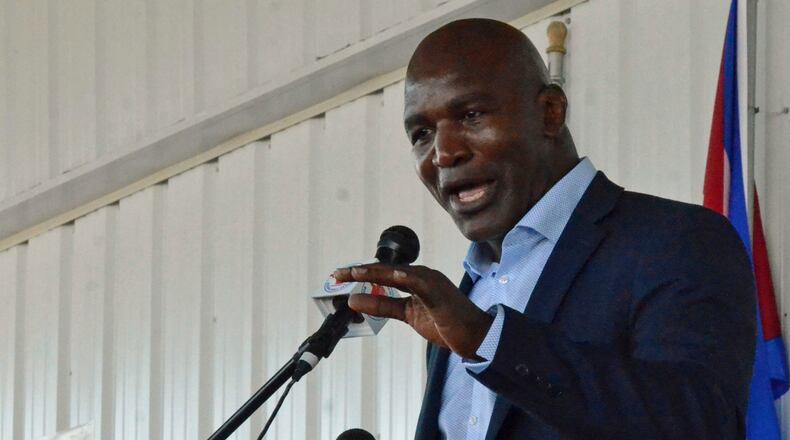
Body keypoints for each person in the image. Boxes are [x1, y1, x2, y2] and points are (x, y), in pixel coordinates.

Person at [333, 18, 756, 439]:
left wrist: (489, 340)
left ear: (550, 113)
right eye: (422, 133)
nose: (443, 153)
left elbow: (699, 423)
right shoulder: (465, 299)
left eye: (471, 115)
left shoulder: (676, 240)